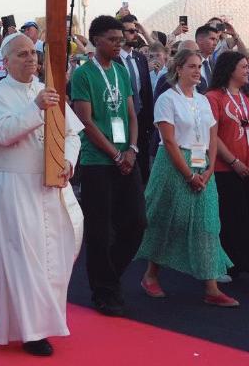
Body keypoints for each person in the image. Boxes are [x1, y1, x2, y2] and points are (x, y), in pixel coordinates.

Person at [0, 33, 84, 356]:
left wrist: (68, 161)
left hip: (51, 185)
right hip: (15, 188)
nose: (31, 58)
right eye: (22, 54)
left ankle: (46, 321)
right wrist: (35, 109)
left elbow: (72, 135)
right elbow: (1, 135)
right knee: (24, 259)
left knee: (54, 256)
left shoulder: (48, 91)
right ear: (5, 62)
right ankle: (31, 332)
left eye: (33, 52)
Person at [136, 49, 237, 306]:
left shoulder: (203, 101)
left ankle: (211, 288)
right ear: (178, 69)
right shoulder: (167, 99)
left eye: (199, 66)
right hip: (174, 165)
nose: (197, 71)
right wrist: (188, 174)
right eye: (191, 66)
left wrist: (209, 169)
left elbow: (213, 136)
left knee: (207, 223)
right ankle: (150, 275)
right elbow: (169, 140)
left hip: (202, 163)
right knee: (168, 220)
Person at [71, 16, 147, 317]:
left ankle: (108, 277)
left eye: (121, 39)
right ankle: (104, 291)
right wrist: (115, 155)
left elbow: (131, 114)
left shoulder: (121, 70)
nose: (119, 44)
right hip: (97, 162)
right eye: (113, 39)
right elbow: (86, 121)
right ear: (96, 40)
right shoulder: (83, 74)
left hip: (126, 158)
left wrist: (132, 149)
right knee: (101, 230)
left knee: (137, 222)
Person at [206, 50, 249, 292]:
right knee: (235, 220)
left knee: (238, 219)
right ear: (230, 70)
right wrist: (234, 162)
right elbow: (213, 136)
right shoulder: (213, 98)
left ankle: (228, 266)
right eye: (244, 66)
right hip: (224, 171)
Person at [119, 14, 156, 182]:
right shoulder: (113, 59)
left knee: (142, 164)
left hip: (141, 119)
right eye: (131, 31)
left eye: (136, 31)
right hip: (121, 119)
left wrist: (149, 120)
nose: (135, 34)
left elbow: (146, 91)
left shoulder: (140, 58)